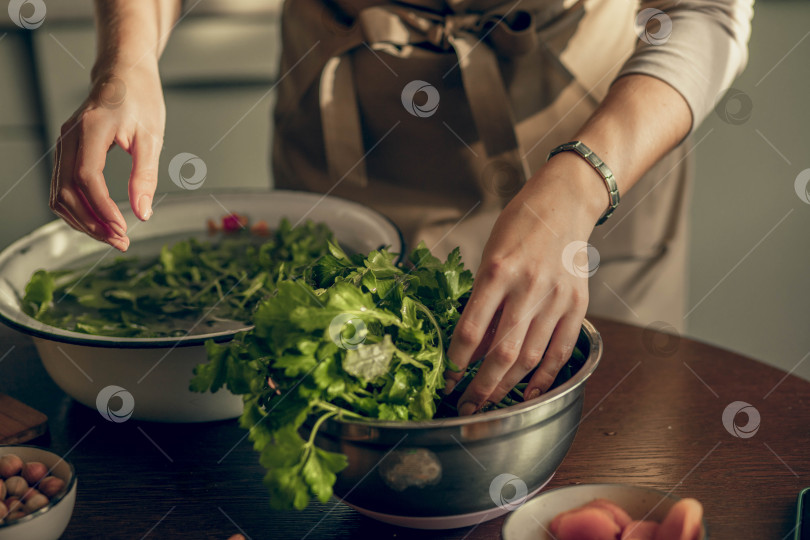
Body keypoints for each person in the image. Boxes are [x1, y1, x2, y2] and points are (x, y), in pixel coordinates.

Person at [49, 0, 752, 417]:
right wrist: (127, 62)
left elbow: (706, 8)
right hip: (351, 125)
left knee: (606, 421)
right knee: (345, 407)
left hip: (598, 138)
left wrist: (581, 184)